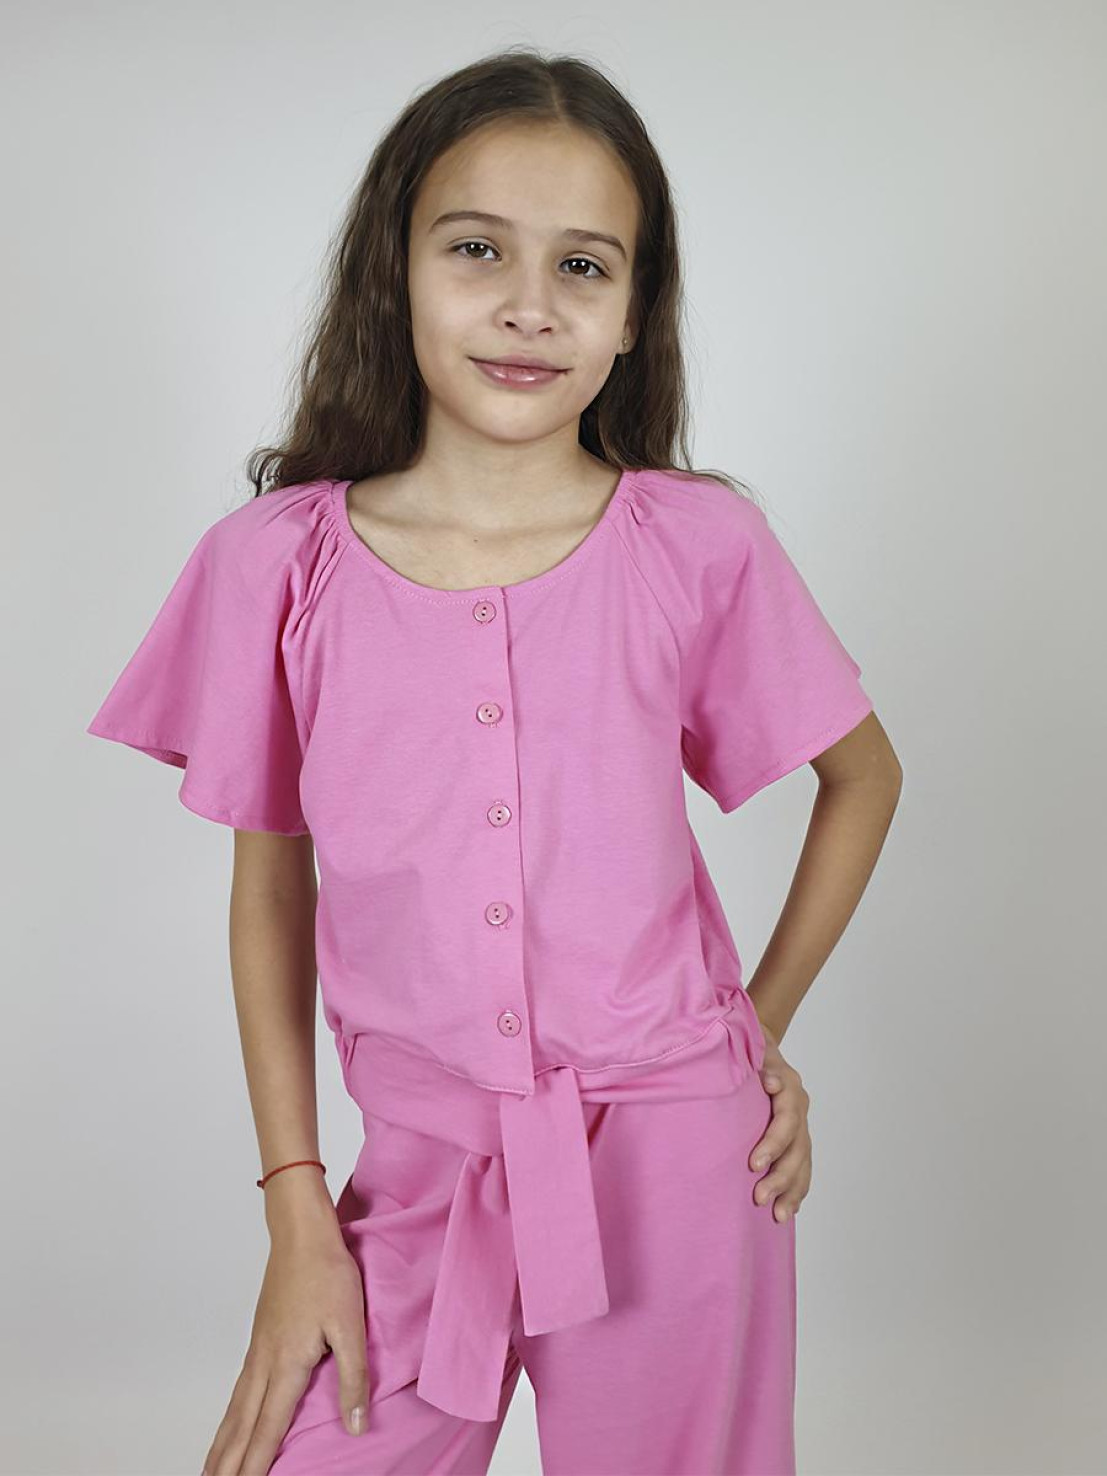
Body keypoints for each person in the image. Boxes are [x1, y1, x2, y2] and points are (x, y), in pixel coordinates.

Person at [86, 47, 902, 1476]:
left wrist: (753, 1034)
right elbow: (271, 890)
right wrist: (295, 1209)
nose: (531, 305)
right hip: (419, 1171)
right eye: (478, 249)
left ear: (635, 312)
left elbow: (863, 777)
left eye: (584, 266)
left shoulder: (696, 546)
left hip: (676, 1155)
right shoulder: (276, 567)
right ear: (393, 270)